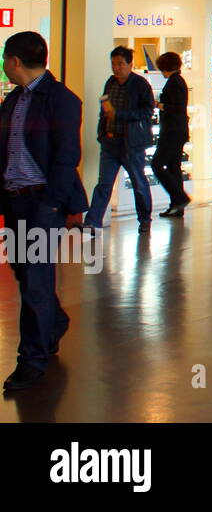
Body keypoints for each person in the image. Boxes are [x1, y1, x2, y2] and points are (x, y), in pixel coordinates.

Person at [0, 32, 89, 391]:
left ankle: (32, 359)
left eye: (5, 58)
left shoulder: (61, 100)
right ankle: (53, 323)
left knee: (36, 282)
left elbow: (68, 156)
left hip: (42, 202)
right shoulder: (14, 100)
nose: (5, 65)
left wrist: (52, 203)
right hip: (15, 200)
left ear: (15, 61)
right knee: (24, 273)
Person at [85, 46, 155, 232]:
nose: (116, 68)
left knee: (138, 182)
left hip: (131, 144)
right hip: (110, 142)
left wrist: (120, 115)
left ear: (130, 64)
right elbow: (105, 107)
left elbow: (147, 111)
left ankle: (145, 219)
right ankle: (93, 222)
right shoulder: (110, 82)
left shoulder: (140, 85)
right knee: (104, 184)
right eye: (113, 64)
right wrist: (102, 132)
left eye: (120, 64)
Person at [154, 52, 191, 218]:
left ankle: (180, 198)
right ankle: (177, 205)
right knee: (174, 166)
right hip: (178, 131)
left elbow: (175, 107)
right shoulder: (178, 81)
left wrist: (158, 105)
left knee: (157, 164)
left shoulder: (174, 83)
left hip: (172, 131)